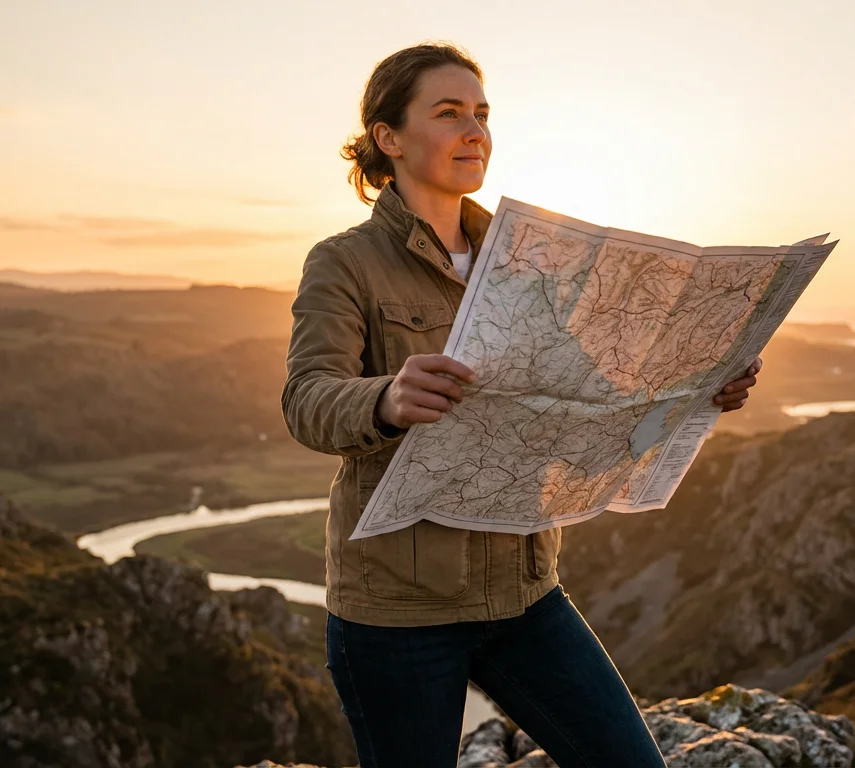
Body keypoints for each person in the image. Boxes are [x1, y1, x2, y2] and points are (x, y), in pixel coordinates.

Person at [281, 42, 763, 768]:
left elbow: (587, 396)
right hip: (397, 610)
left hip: (526, 595)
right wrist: (387, 396)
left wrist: (700, 386)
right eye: (448, 114)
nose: (475, 130)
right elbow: (306, 398)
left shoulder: (528, 262)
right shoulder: (344, 262)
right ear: (389, 138)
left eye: (481, 114)